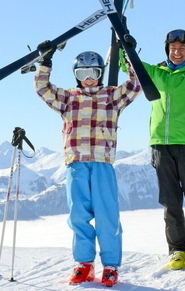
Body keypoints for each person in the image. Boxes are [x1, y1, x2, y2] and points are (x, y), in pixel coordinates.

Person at [119, 3, 185, 272]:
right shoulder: (156, 73)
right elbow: (128, 65)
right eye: (173, 49)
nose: (177, 52)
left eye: (182, 48)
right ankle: (178, 249)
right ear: (167, 51)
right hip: (160, 145)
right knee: (170, 200)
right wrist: (123, 40)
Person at [34, 39, 142, 287]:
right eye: (83, 73)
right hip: (75, 163)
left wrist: (129, 54)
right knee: (79, 216)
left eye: (93, 72)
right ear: (75, 75)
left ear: (101, 73)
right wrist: (45, 61)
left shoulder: (111, 96)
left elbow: (135, 85)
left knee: (107, 216)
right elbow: (42, 88)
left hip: (103, 163)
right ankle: (84, 263)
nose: (89, 79)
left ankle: (111, 266)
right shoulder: (67, 99)